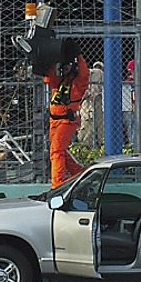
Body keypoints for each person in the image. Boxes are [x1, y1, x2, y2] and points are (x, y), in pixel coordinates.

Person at [44, 38, 89, 188]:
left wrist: (79, 55)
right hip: (54, 121)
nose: (65, 69)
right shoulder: (59, 82)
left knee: (56, 151)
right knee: (58, 150)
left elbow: (84, 73)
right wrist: (49, 61)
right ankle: (79, 173)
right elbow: (48, 79)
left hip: (66, 121)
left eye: (68, 66)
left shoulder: (78, 84)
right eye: (63, 67)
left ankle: (57, 185)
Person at [78, 60, 104, 148]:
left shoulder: (92, 73)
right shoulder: (99, 73)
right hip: (93, 103)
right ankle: (94, 144)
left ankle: (85, 145)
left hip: (91, 103)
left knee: (88, 124)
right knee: (96, 125)